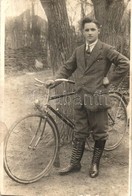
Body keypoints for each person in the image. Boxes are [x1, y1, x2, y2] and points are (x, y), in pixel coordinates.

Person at [46, 17, 129, 178]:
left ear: (99, 31)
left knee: (99, 133)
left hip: (97, 98)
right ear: (82, 32)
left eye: (93, 29)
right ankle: (75, 164)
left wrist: (109, 78)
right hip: (80, 98)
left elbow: (125, 63)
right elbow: (67, 67)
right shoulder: (78, 51)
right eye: (86, 30)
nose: (90, 33)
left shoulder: (105, 49)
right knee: (79, 131)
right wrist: (54, 80)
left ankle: (94, 164)